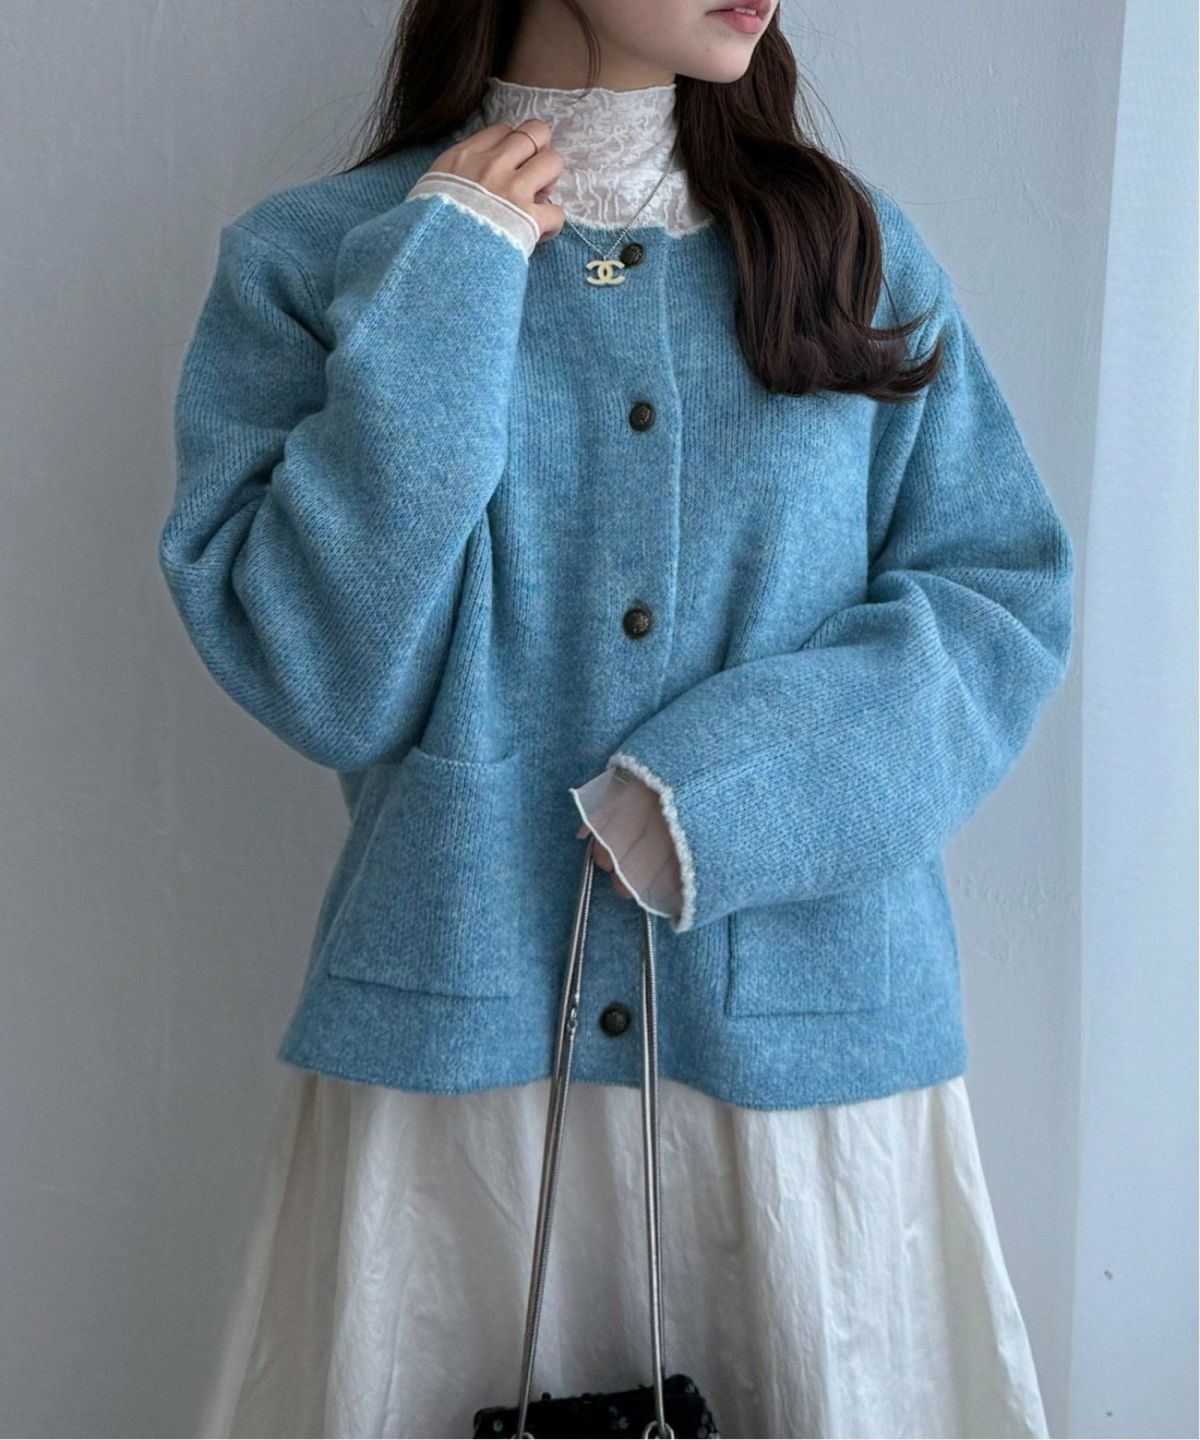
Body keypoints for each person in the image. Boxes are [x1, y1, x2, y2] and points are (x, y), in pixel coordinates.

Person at [158, 2, 1075, 1436]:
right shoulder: (322, 259)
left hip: (799, 1081)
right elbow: (327, 678)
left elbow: (999, 603)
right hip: (461, 1091)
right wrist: (449, 278)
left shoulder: (852, 254)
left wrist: (718, 797)